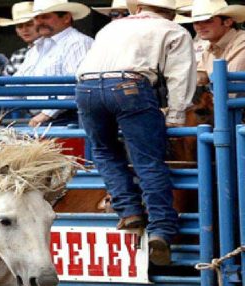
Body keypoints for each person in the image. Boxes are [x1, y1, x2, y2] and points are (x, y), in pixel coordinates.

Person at [75, 0, 195, 265]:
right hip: (130, 87)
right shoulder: (173, 30)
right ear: (173, 12)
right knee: (148, 160)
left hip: (86, 89)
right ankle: (161, 229)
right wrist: (175, 117)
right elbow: (180, 76)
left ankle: (129, 210)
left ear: (137, 8)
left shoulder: (111, 28)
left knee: (104, 152)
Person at [0, 0, 92, 127]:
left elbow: (77, 84)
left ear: (66, 18)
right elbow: (18, 83)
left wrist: (47, 114)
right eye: (36, 18)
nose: (39, 22)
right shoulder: (38, 48)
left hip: (69, 118)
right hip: (47, 117)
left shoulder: (78, 43)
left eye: (45, 17)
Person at [176, 0, 245, 85]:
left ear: (228, 22)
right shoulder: (210, 48)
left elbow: (231, 84)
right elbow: (201, 74)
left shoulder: (242, 43)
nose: (200, 26)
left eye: (207, 21)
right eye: (196, 22)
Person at [0, 2, 39, 76]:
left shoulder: (55, 50)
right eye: (19, 26)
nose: (24, 30)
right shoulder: (18, 55)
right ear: (17, 32)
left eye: (29, 24)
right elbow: (5, 83)